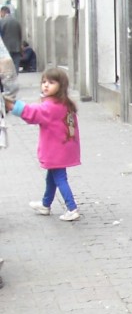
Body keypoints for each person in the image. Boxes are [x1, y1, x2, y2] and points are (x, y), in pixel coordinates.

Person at [5, 67, 82, 221]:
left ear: (61, 86)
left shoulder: (52, 107)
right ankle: (46, 204)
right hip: (64, 148)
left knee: (60, 178)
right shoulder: (64, 103)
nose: (46, 85)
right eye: (44, 82)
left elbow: (33, 113)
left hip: (56, 150)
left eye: (51, 82)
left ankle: (71, 208)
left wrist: (13, 106)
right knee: (52, 177)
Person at [0, 7, 24, 72]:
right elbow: (20, 35)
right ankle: (15, 77)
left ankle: (9, 78)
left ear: (3, 12)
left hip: (6, 47)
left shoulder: (2, 21)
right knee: (16, 63)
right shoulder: (16, 21)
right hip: (16, 47)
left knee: (6, 64)